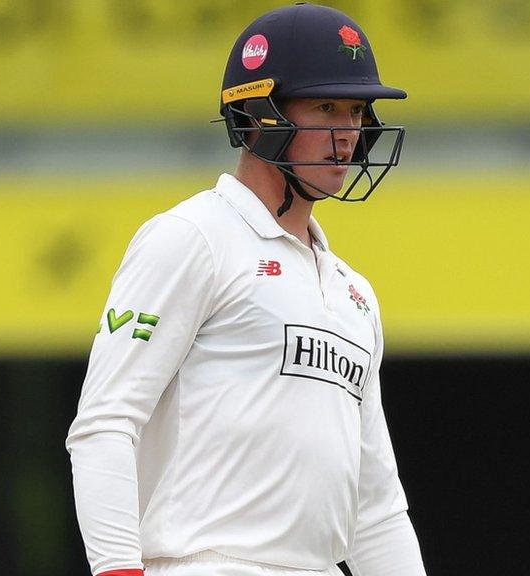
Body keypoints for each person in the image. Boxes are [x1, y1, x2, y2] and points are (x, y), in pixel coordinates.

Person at [66, 5, 425, 576]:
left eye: (356, 111)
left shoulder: (354, 293)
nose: (347, 133)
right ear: (259, 113)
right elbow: (105, 424)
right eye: (325, 107)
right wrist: (116, 569)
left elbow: (375, 504)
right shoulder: (192, 238)